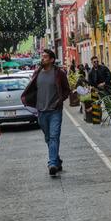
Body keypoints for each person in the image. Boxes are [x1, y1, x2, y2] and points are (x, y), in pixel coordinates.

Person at [21, 49, 71, 177]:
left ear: (52, 60)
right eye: (42, 57)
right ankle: (57, 160)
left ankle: (52, 163)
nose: (42, 59)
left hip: (55, 111)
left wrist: (59, 101)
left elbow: (66, 90)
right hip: (41, 111)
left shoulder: (59, 73)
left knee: (54, 136)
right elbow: (32, 89)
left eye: (45, 57)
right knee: (48, 138)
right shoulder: (37, 73)